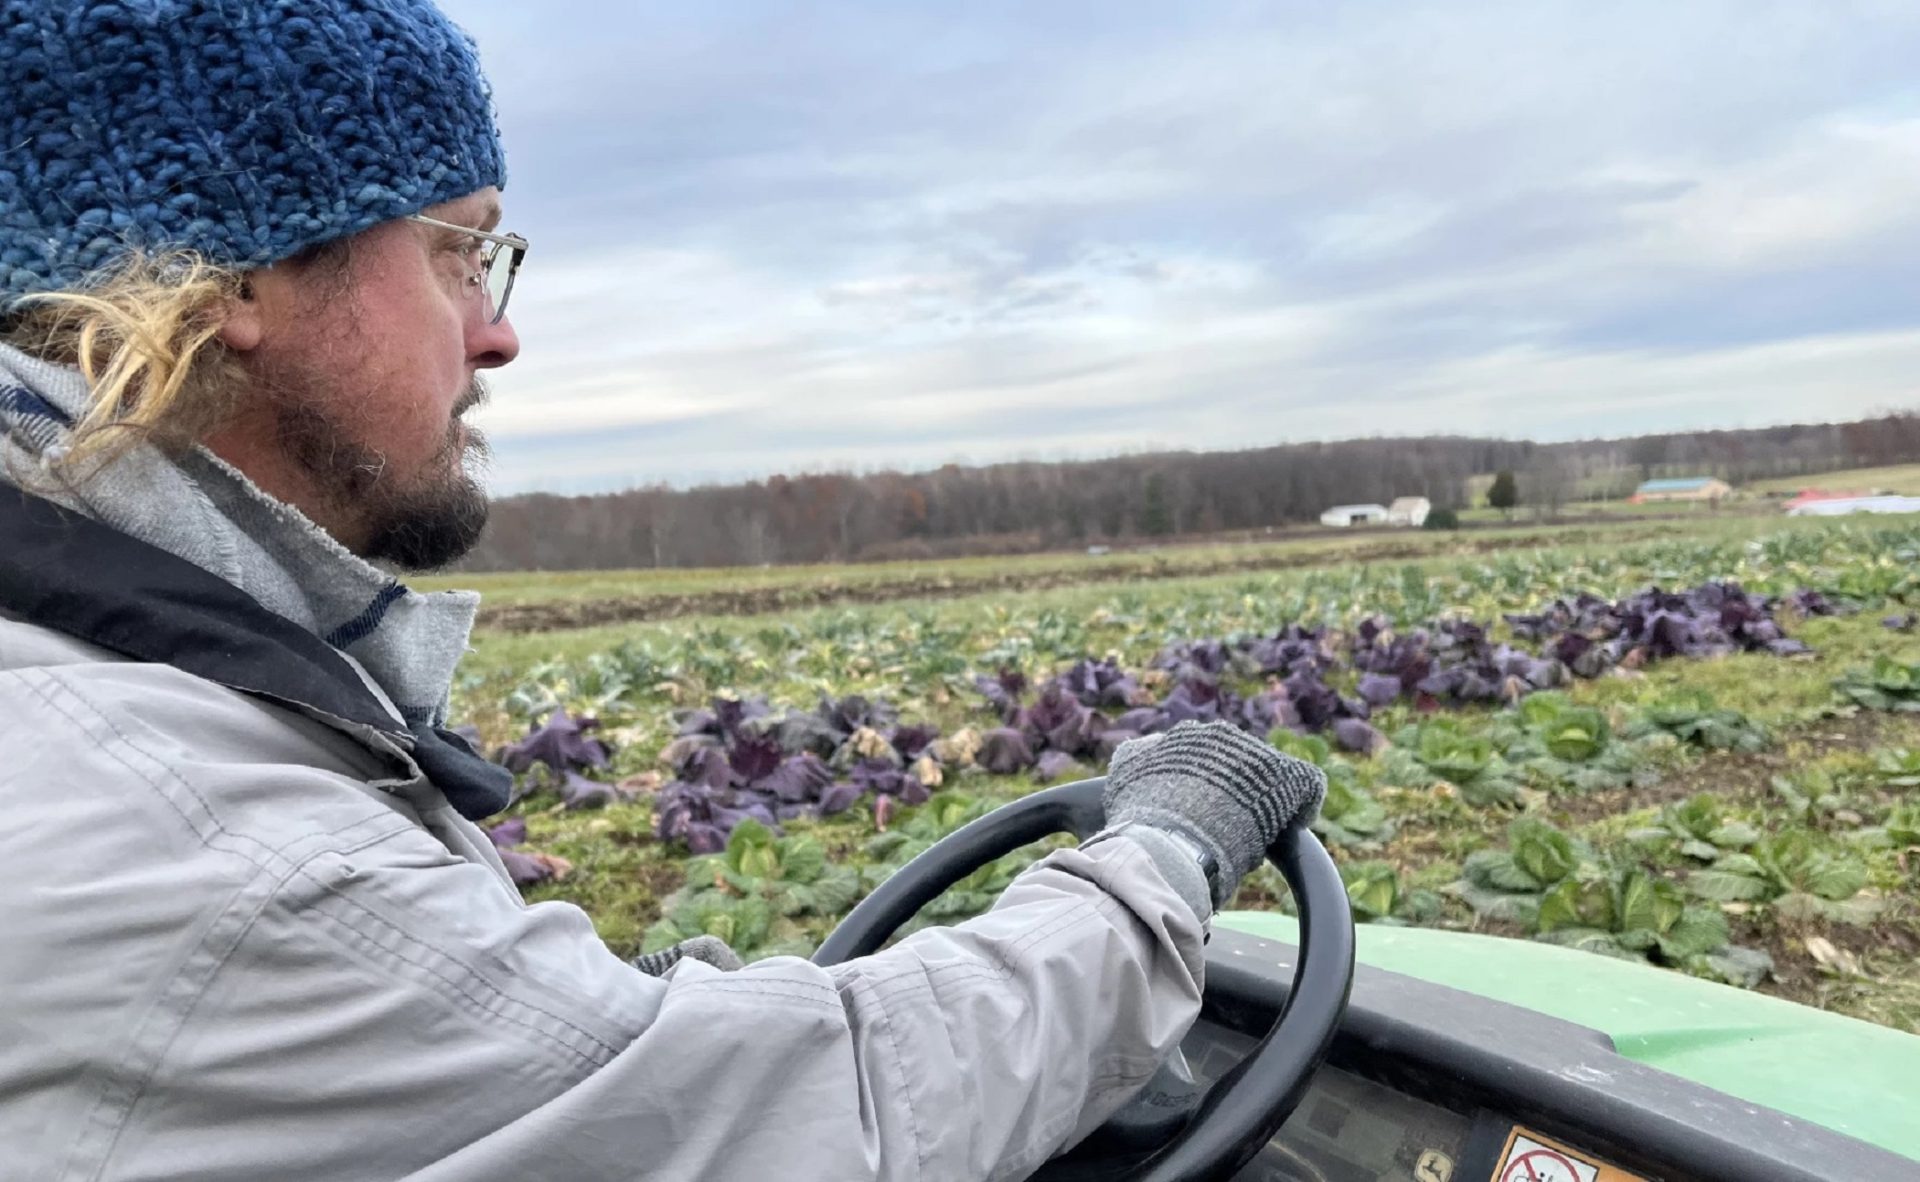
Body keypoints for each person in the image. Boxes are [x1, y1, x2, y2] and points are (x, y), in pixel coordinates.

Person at [0, 2, 1325, 1179]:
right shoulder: (213, 846)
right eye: (460, 251)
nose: (499, 328)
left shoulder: (94, 667)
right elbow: (838, 1110)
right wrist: (1162, 855)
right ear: (238, 276)